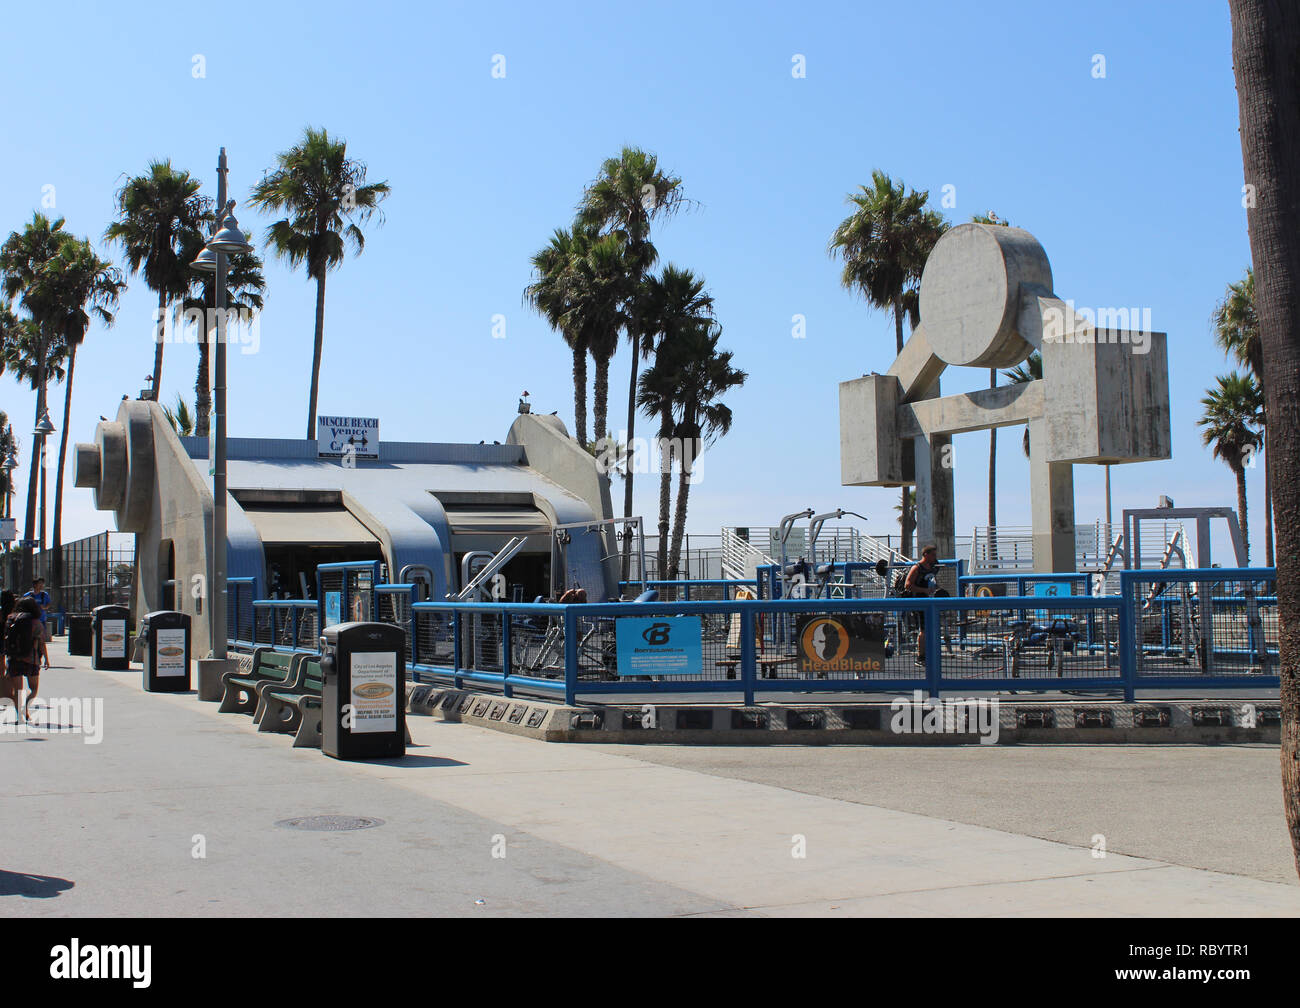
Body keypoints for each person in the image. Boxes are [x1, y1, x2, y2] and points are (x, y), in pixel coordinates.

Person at [4, 597, 42, 723]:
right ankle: (25, 709)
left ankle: (19, 716)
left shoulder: (11, 619)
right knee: (34, 688)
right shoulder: (35, 622)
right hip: (31, 659)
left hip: (14, 658)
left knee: (17, 691)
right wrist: (45, 658)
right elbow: (40, 641)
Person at [902, 545, 941, 667]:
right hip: (920, 602)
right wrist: (924, 590)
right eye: (933, 555)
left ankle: (930, 654)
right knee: (923, 629)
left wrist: (935, 589)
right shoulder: (917, 568)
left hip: (932, 602)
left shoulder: (933, 568)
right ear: (926, 555)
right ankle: (921, 656)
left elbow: (933, 581)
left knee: (932, 628)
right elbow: (907, 585)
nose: (935, 557)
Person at [23, 577, 51, 670]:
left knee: (41, 641)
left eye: (42, 584)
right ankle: (33, 658)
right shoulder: (27, 595)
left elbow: (48, 605)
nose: (41, 585)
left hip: (41, 620)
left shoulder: (44, 595)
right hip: (30, 620)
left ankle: (44, 659)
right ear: (35, 585)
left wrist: (44, 607)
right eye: (39, 584)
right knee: (32, 641)